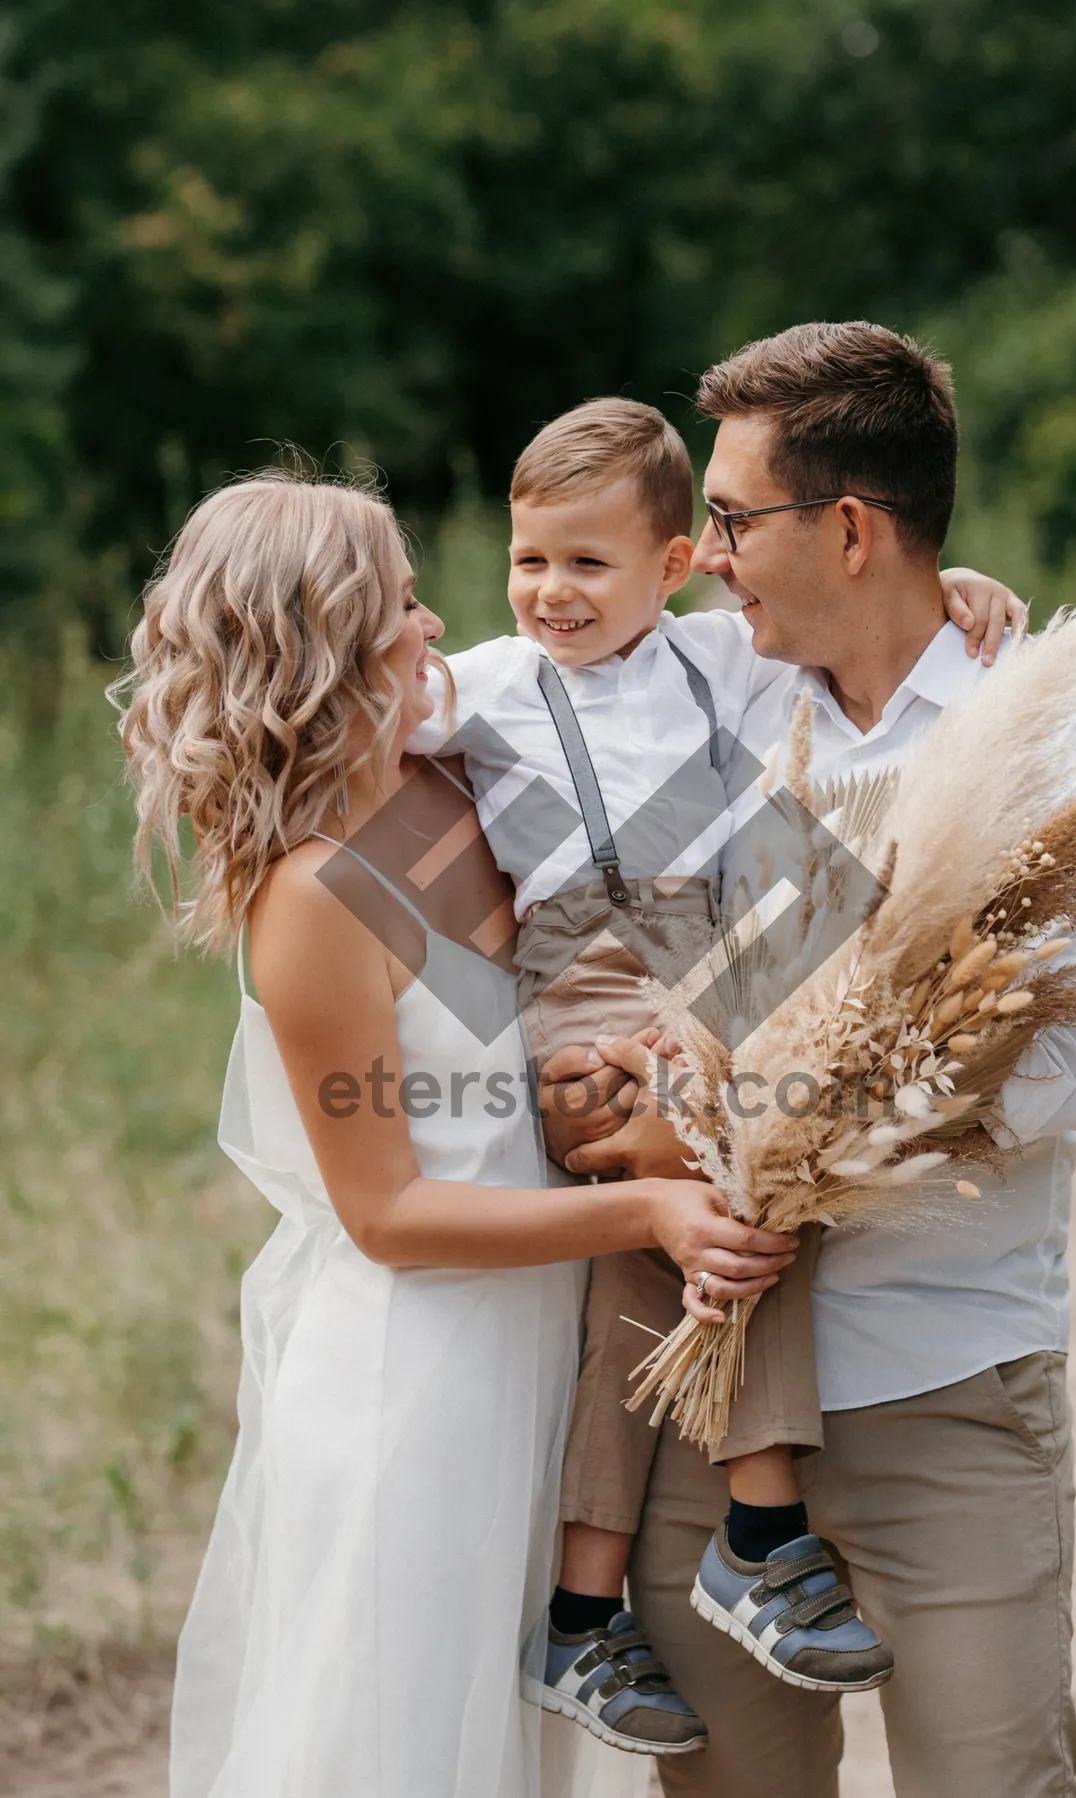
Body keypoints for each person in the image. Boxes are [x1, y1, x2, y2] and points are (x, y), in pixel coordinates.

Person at [542, 323, 1076, 1798]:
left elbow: (1065, 1075)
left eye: (736, 517)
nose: (705, 552)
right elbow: (593, 972)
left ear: (849, 526)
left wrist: (755, 1126)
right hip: (712, 1395)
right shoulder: (720, 697)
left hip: (948, 1385)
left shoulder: (1065, 739)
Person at [110, 470, 799, 1798]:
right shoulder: (312, 894)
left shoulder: (444, 790)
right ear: (329, 642)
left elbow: (670, 714)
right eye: (405, 606)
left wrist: (939, 614)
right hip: (413, 1386)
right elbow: (389, 1212)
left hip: (539, 1355)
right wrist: (645, 1213)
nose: (437, 629)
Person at [408, 398, 1026, 1755]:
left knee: (687, 1232)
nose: (550, 592)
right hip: (581, 989)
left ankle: (583, 1609)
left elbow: (871, 636)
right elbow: (355, 715)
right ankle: (757, 1527)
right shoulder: (492, 683)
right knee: (723, 1170)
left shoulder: (722, 665)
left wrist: (957, 588)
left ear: (675, 563)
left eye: (586, 563)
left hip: (726, 973)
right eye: (529, 562)